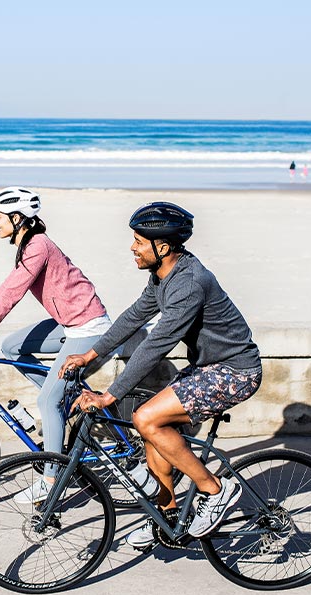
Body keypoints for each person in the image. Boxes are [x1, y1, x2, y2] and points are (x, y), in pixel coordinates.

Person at [61, 202, 262, 546]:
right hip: (207, 367)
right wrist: (90, 355)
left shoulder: (189, 284)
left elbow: (155, 345)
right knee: (153, 428)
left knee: (146, 418)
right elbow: (133, 317)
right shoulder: (163, 276)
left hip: (235, 371)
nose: (132, 248)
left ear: (163, 247)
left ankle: (214, 489)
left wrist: (109, 396)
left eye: (138, 241)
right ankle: (166, 516)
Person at [0, 187, 111, 502]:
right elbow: (8, 287)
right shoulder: (29, 245)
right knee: (12, 347)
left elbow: (14, 292)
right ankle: (63, 397)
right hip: (70, 324)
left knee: (46, 402)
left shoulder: (38, 246)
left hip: (88, 328)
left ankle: (52, 481)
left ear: (17, 218)